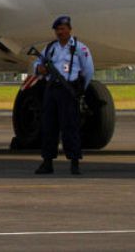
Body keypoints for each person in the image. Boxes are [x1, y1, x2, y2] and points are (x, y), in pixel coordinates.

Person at [34, 15, 95, 176]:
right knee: (49, 127)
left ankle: (74, 163)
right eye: (57, 30)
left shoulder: (80, 48)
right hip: (52, 89)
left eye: (63, 29)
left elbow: (88, 71)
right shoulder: (50, 48)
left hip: (69, 91)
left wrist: (80, 89)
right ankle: (47, 162)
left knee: (70, 127)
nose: (60, 32)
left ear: (69, 30)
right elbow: (37, 64)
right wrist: (39, 69)